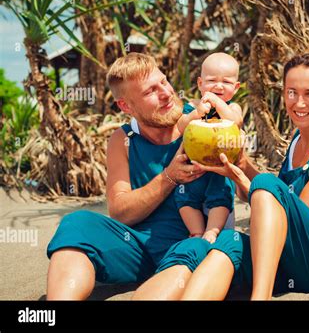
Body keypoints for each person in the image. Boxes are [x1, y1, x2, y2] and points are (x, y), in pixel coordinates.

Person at [161, 53, 309, 300]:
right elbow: (274, 202)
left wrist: (243, 179)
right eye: (291, 92)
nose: (299, 102)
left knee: (265, 182)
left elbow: (288, 219)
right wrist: (240, 164)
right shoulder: (297, 139)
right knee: (228, 240)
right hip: (292, 259)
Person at [45, 52, 227, 300]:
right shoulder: (122, 140)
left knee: (195, 248)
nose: (165, 93)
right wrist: (169, 177)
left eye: (163, 81)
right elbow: (120, 211)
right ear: (125, 106)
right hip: (137, 249)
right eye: (150, 91)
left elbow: (236, 175)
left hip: (190, 244)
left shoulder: (204, 117)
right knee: (76, 224)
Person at [173, 53, 243, 244]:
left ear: (236, 88)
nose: (219, 86)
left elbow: (235, 121)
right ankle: (196, 232)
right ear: (200, 83)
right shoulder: (192, 106)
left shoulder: (233, 107)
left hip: (220, 169)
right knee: (184, 199)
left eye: (226, 82)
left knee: (221, 198)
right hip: (193, 166)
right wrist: (195, 114)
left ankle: (211, 232)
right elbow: (180, 127)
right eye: (212, 81)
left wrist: (216, 102)